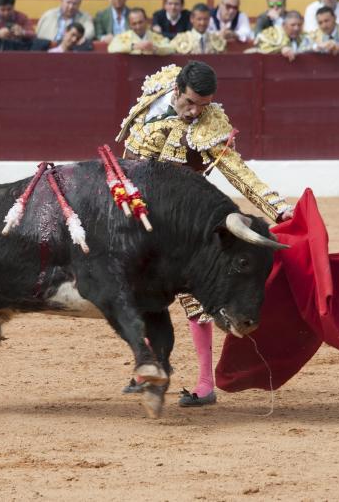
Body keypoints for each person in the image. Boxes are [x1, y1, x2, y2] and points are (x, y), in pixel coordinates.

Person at [116, 61, 293, 406]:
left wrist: (279, 209)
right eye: (190, 102)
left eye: (204, 104)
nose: (195, 111)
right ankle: (147, 367)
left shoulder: (210, 123)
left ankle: (204, 385)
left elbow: (238, 172)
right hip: (135, 214)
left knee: (195, 300)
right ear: (177, 89)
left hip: (183, 223)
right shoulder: (159, 89)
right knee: (133, 288)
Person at [108, 8, 174, 55]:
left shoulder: (156, 37)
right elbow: (111, 48)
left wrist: (155, 48)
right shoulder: (123, 37)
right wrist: (133, 46)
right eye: (134, 24)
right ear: (129, 25)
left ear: (146, 21)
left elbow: (171, 48)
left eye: (140, 22)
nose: (138, 27)